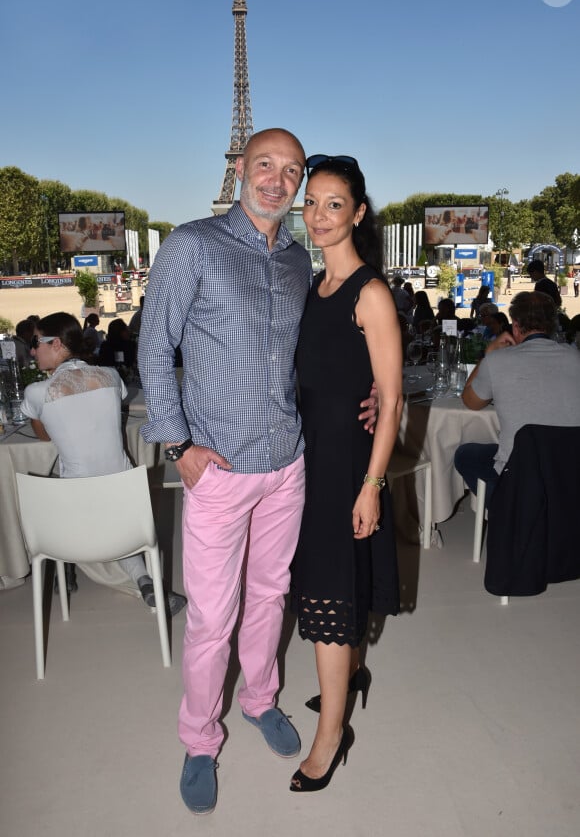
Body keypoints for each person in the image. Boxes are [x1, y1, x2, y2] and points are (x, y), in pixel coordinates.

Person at [137, 129, 378, 815]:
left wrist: (367, 393)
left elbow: (323, 346)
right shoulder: (192, 245)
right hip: (219, 463)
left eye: (292, 170)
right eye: (265, 165)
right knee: (214, 616)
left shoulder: (300, 260)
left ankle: (260, 698)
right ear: (239, 168)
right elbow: (155, 347)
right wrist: (177, 443)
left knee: (272, 596)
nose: (277, 180)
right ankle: (198, 738)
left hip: (289, 462)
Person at [289, 155, 402, 793]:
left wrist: (372, 485)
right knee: (323, 586)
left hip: (345, 470)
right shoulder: (314, 287)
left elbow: (391, 400)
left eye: (334, 204)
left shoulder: (371, 292)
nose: (319, 215)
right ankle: (347, 678)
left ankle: (331, 736)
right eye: (312, 203)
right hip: (308, 460)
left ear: (359, 213)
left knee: (329, 597)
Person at [20, 312, 186, 614]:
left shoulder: (36, 393)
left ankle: (63, 572)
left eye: (36, 342)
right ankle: (145, 581)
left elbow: (44, 436)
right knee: (106, 507)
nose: (32, 350)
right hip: (126, 508)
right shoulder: (111, 376)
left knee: (49, 482)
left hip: (71, 527)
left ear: (56, 344)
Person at [454, 291, 580, 505]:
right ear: (551, 325)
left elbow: (470, 401)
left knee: (466, 454)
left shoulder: (498, 360)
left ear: (515, 325)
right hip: (569, 470)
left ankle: (508, 509)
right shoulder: (575, 357)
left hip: (519, 475)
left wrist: (489, 353)